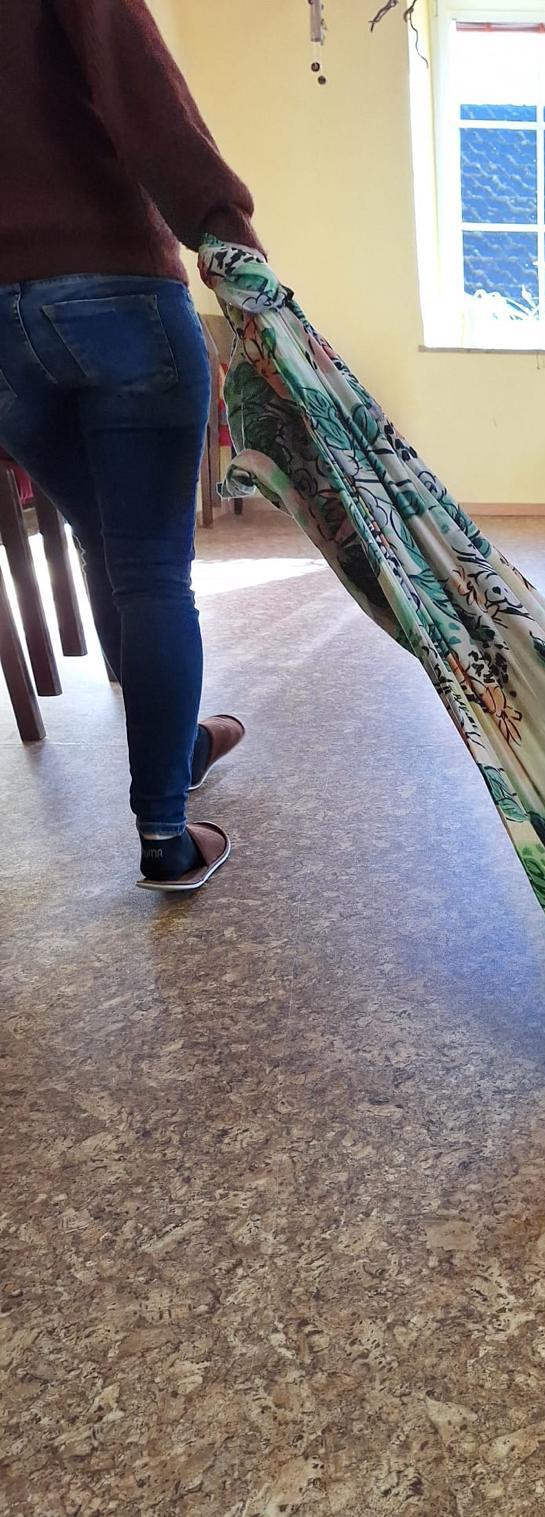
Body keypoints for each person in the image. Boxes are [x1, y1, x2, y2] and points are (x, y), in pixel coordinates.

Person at [0, 0, 262, 889]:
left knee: (105, 545)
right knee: (150, 570)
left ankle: (179, 748)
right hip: (111, 289)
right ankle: (165, 837)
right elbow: (141, 86)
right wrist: (229, 234)